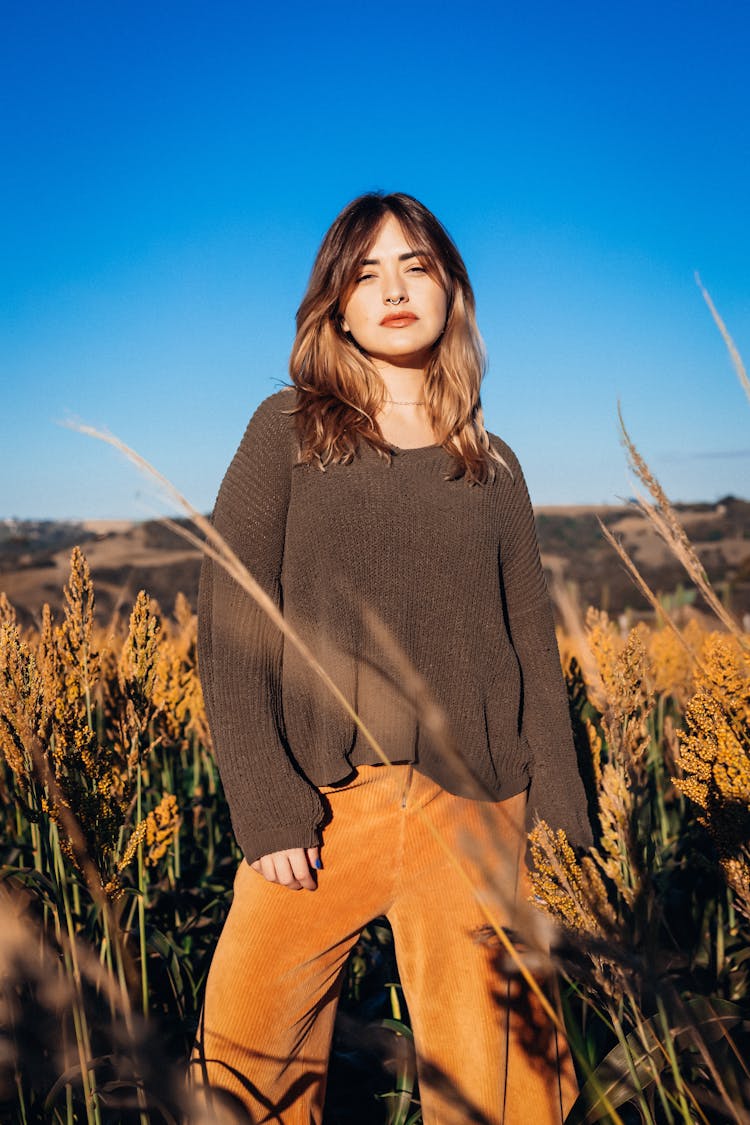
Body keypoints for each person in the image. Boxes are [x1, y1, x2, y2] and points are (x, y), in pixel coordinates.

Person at [188, 191, 593, 1125]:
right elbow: (230, 616)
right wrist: (267, 801)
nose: (394, 288)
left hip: (479, 808)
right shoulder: (286, 428)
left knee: (505, 1090)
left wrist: (562, 813)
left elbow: (531, 638)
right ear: (335, 306)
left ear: (452, 289)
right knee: (243, 1068)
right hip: (324, 809)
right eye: (366, 273)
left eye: (416, 266)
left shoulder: (494, 465)